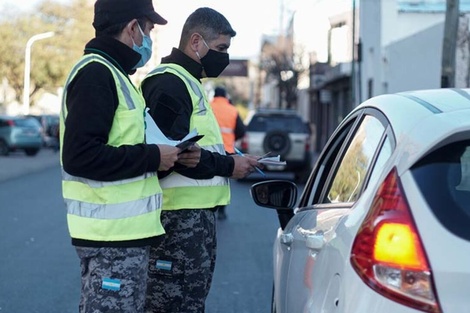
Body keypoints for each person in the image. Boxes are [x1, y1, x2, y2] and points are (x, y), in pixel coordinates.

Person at [59, 1, 200, 312]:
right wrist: (152, 156)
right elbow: (80, 156)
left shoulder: (116, 75)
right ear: (132, 27)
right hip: (110, 238)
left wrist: (166, 156)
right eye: (148, 30)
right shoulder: (97, 74)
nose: (148, 38)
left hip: (124, 237)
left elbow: (121, 147)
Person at [140, 7, 261, 313]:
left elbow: (196, 147)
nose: (225, 57)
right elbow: (176, 155)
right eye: (220, 49)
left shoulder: (189, 82)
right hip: (176, 221)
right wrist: (230, 166)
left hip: (193, 219)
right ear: (196, 42)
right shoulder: (170, 83)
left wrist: (233, 158)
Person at [210, 86, 247, 220]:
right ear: (225, 96)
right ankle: (222, 209)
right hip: (228, 150)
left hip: (210, 149)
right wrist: (231, 140)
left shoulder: (208, 106)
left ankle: (211, 206)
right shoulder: (232, 110)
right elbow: (241, 131)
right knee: (224, 181)